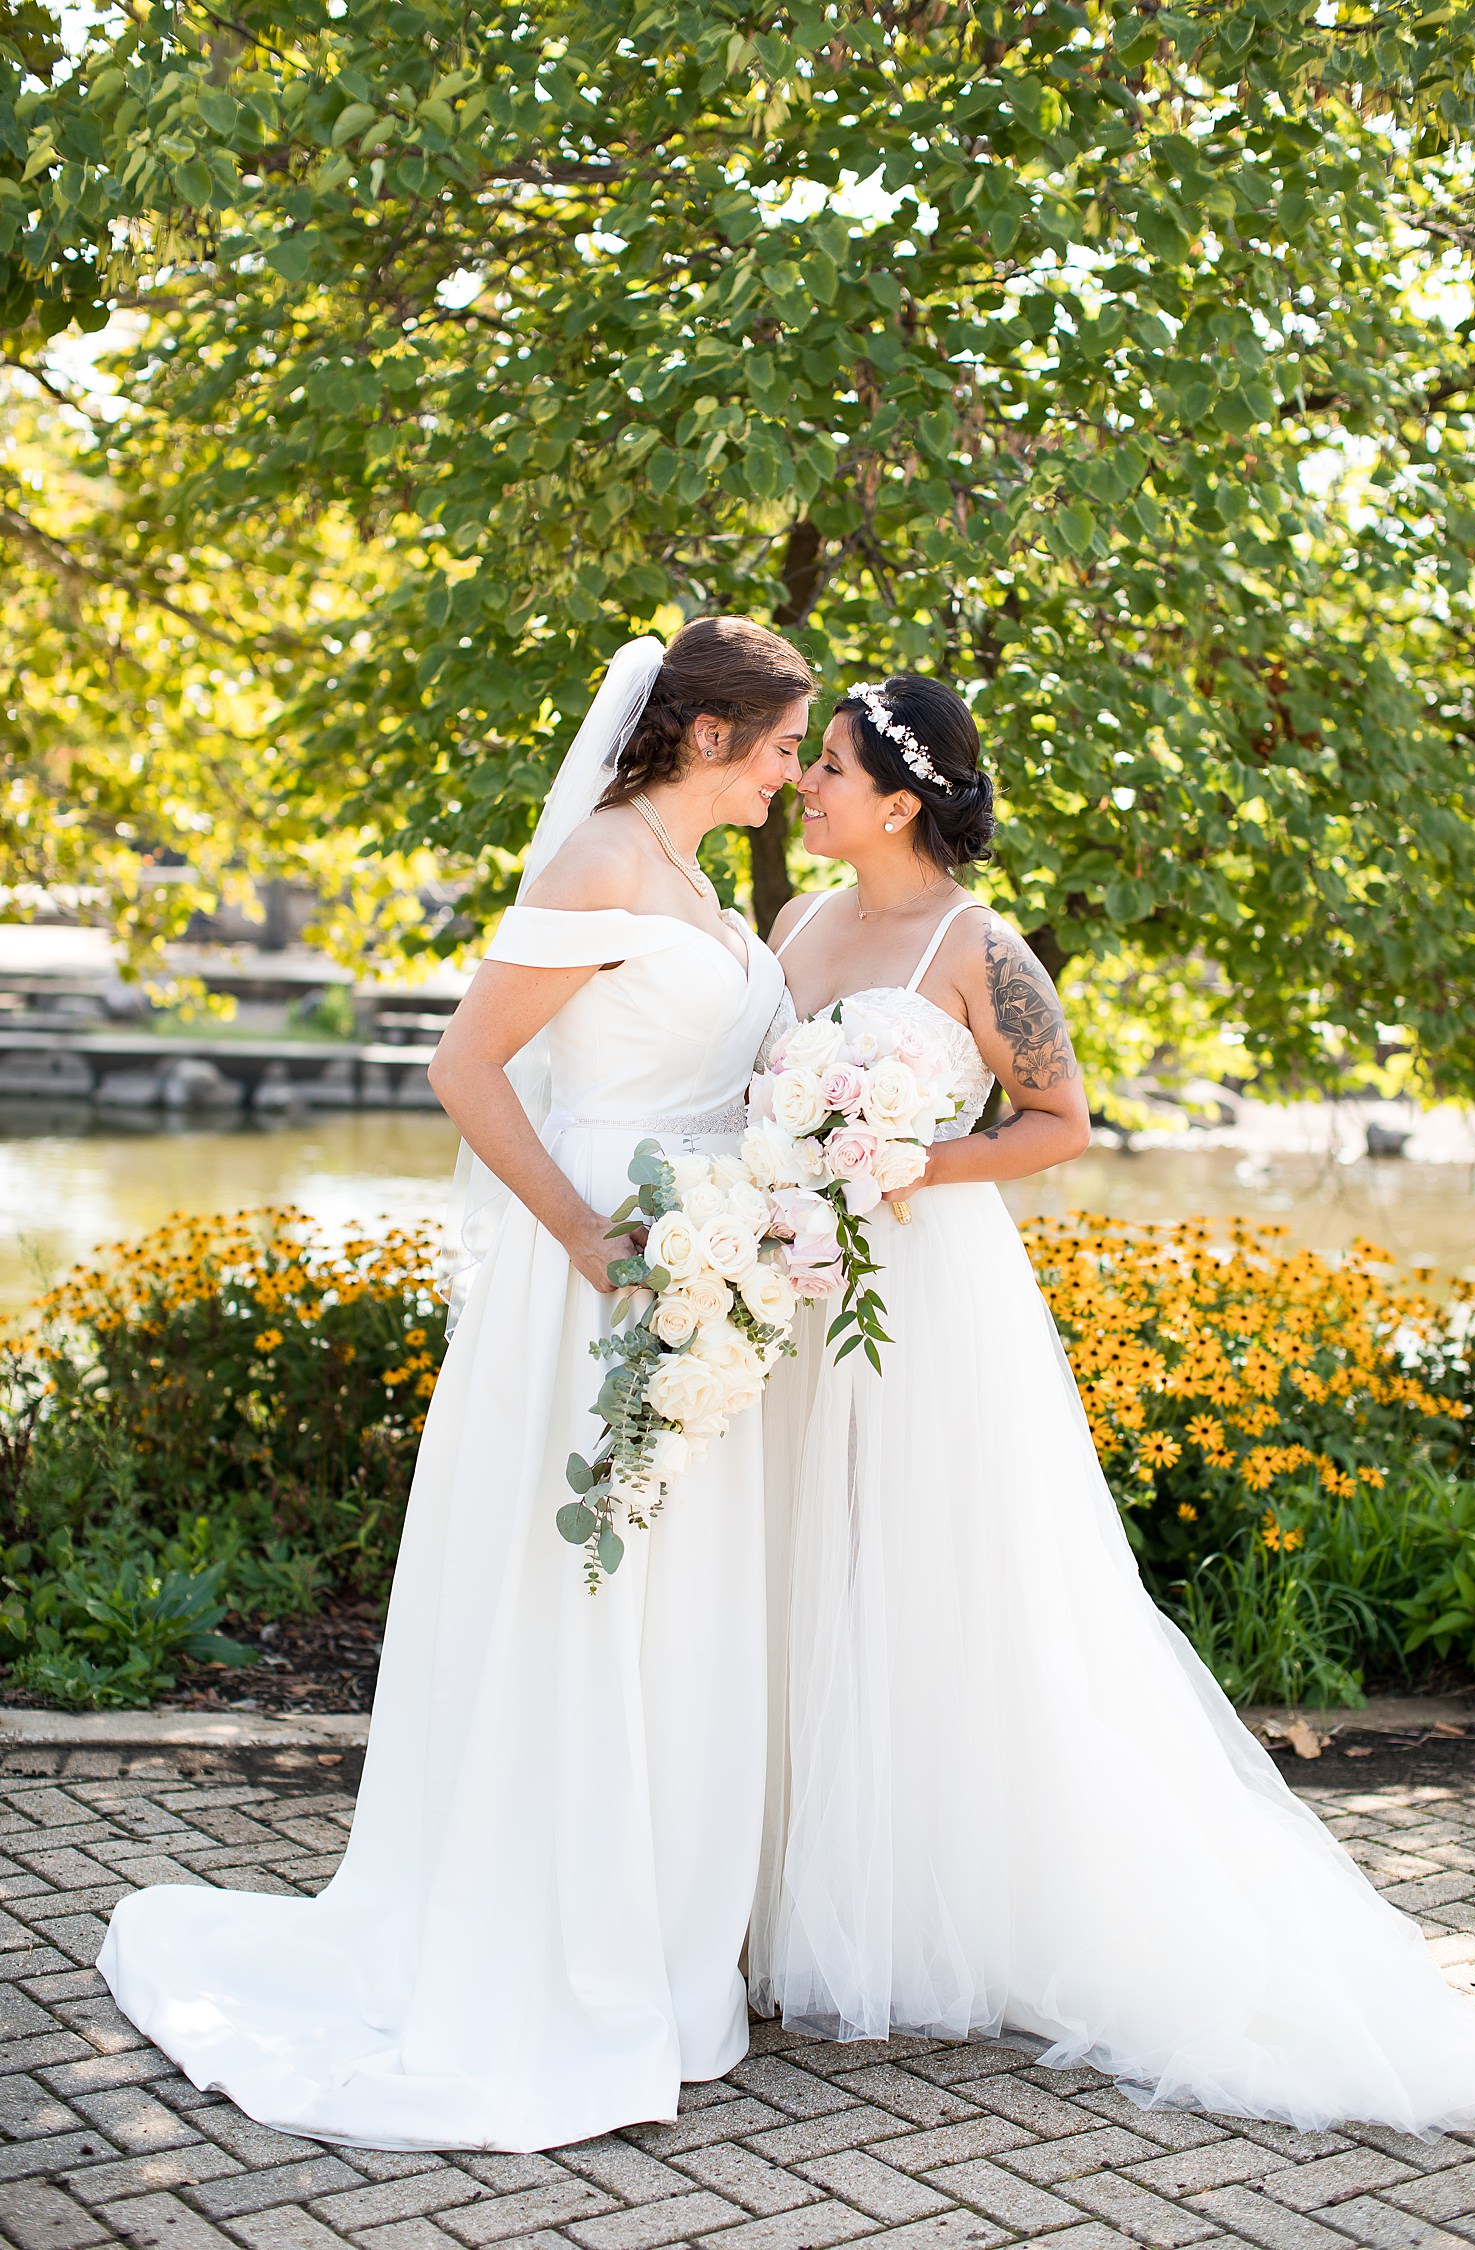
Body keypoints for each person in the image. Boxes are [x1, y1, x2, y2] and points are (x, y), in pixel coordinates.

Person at [98, 618, 813, 2153]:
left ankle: (669, 1943)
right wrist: (586, 1235)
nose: (785, 777)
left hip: (709, 1270)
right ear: (705, 736)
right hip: (607, 1272)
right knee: (587, 1595)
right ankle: (558, 1938)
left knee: (675, 1608)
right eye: (772, 749)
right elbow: (466, 1065)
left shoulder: (696, 882)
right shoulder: (606, 864)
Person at [750, 671, 1475, 2133]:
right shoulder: (794, 925)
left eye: (830, 768)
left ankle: (947, 1903)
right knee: (803, 1567)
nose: (808, 787)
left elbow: (1063, 1123)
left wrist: (907, 1164)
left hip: (929, 1293)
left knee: (939, 1580)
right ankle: (794, 1883)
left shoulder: (985, 946)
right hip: (799, 1289)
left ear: (900, 800)